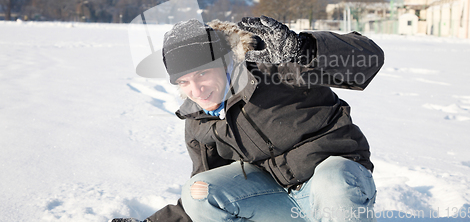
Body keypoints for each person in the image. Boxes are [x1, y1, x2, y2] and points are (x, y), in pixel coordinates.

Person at [112, 15, 384, 222]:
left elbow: (368, 59)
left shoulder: (273, 67)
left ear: (222, 62)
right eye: (184, 81)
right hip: (279, 202)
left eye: (202, 74)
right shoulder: (200, 120)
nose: (196, 91)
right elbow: (204, 191)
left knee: (333, 182)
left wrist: (302, 48)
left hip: (337, 185)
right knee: (199, 190)